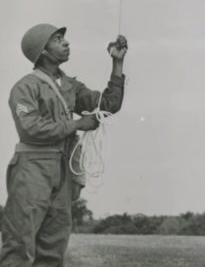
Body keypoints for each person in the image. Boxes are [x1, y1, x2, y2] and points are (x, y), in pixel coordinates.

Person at [0, 23, 127, 266]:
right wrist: (77, 125)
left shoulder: (70, 86)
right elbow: (30, 128)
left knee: (53, 248)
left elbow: (107, 105)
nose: (66, 43)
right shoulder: (25, 87)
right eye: (58, 39)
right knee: (19, 246)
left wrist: (117, 64)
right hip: (32, 168)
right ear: (42, 51)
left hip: (62, 170)